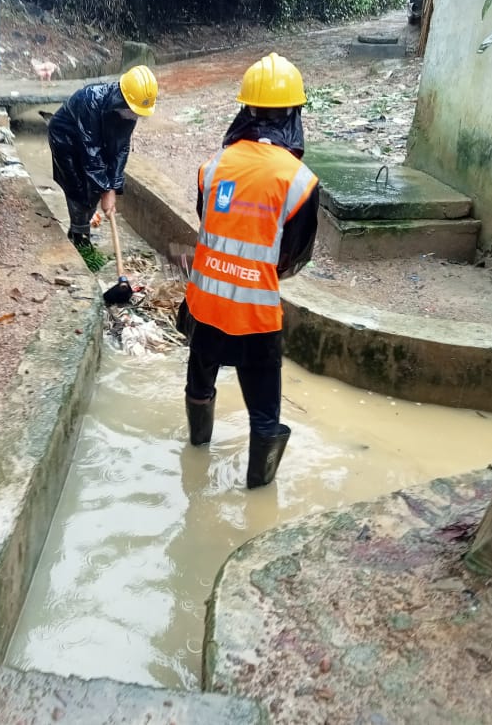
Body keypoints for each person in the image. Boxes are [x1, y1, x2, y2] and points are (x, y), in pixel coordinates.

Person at [178, 52, 319, 490]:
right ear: (294, 115)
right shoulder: (299, 181)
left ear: (246, 111)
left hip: (204, 306)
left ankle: (196, 451)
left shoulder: (213, 167)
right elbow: (292, 257)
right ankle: (258, 493)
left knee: (200, 384)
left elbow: (210, 225)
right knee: (264, 416)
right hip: (254, 317)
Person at [47, 65, 158, 257]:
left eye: (138, 113)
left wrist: (112, 186)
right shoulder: (90, 100)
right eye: (134, 111)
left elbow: (121, 149)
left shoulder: (129, 110)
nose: (135, 116)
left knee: (95, 190)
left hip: (93, 143)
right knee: (79, 189)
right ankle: (80, 238)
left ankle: (80, 229)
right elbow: (91, 151)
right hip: (66, 140)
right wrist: (106, 190)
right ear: (122, 97)